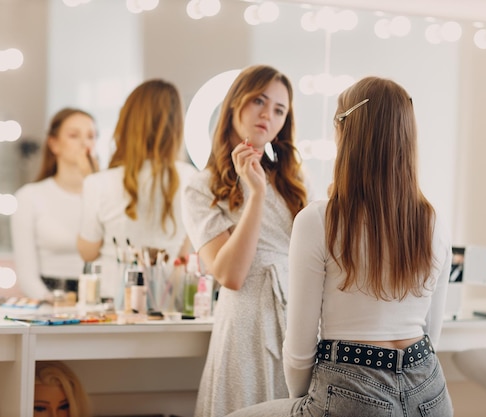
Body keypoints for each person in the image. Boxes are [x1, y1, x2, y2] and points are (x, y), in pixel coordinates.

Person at [226, 76, 453, 417]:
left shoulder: (318, 220)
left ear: (344, 133)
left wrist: (302, 401)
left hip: (352, 393)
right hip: (431, 394)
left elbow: (300, 350)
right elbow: (431, 334)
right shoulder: (433, 221)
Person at [181, 64, 308, 417]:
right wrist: (254, 195)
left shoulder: (296, 184)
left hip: (296, 320)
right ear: (236, 103)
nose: (268, 115)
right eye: (259, 101)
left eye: (279, 110)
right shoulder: (200, 186)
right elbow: (230, 275)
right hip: (246, 323)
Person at [77, 79, 196, 302]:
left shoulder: (98, 183)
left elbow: (88, 253)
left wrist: (90, 180)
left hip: (111, 302)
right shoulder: (191, 178)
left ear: (127, 122)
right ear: (178, 125)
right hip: (167, 302)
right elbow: (183, 254)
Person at [11, 108, 97, 300]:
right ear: (54, 143)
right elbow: (26, 276)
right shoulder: (29, 197)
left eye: (91, 136)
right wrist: (54, 301)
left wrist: (96, 185)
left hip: (99, 303)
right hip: (50, 303)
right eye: (74, 135)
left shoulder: (104, 197)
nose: (85, 143)